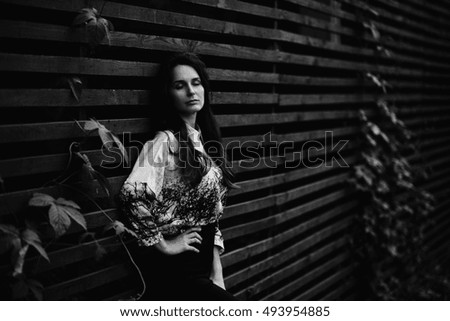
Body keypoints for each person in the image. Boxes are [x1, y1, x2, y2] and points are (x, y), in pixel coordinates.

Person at [119, 52, 237, 300]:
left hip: (202, 268)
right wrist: (165, 244)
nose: (191, 91)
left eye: (196, 83)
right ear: (168, 94)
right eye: (179, 85)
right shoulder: (164, 142)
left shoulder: (204, 143)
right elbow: (131, 195)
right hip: (177, 272)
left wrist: (217, 275)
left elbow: (210, 218)